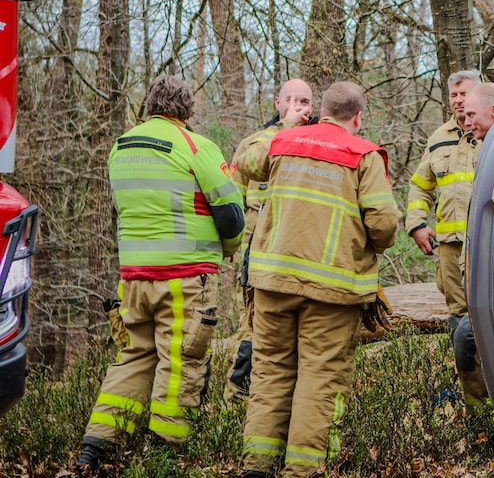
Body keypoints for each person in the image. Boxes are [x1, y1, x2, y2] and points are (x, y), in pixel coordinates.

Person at [75, 75, 245, 470]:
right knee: (181, 360)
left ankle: (95, 448)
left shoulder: (121, 147)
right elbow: (231, 215)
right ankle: (164, 454)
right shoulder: (195, 146)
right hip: (185, 278)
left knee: (133, 357)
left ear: (150, 105)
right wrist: (229, 249)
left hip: (134, 278)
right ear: (187, 109)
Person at [237, 81, 399, 478]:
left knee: (270, 373)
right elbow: (384, 226)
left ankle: (257, 467)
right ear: (357, 117)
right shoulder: (364, 155)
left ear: (319, 111)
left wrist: (286, 127)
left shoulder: (282, 142)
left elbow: (245, 161)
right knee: (320, 379)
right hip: (332, 291)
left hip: (273, 283)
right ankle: (302, 470)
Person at [224, 79, 314, 403]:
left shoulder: (319, 143)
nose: (297, 106)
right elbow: (232, 197)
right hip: (258, 256)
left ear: (313, 107)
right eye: (290, 100)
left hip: (303, 256)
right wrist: (230, 243)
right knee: (251, 333)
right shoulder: (255, 144)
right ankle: (236, 404)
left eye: (303, 101)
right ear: (278, 103)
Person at [405, 71, 481, 363]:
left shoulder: (493, 134)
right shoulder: (438, 139)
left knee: (487, 317)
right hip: (450, 247)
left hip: (485, 243)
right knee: (458, 321)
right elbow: (420, 186)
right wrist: (417, 225)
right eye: (454, 95)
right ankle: (469, 390)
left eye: (465, 94)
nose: (459, 100)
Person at [454, 82, 494, 411]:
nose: (466, 122)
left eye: (471, 115)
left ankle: (488, 418)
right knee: (465, 338)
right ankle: (483, 417)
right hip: (483, 267)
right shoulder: (488, 147)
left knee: (467, 337)